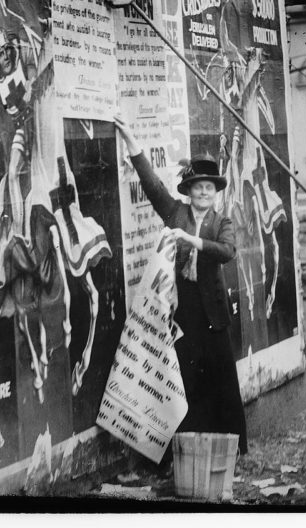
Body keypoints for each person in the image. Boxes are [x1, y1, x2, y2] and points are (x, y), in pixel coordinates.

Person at [114, 114, 247, 455]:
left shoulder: (222, 222)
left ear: (216, 194)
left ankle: (232, 449)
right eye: (198, 187)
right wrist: (131, 140)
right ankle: (188, 451)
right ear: (189, 192)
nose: (204, 193)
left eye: (209, 188)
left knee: (222, 381)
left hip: (213, 315)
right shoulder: (175, 213)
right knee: (186, 381)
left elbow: (228, 252)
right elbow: (151, 183)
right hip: (182, 311)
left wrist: (193, 240)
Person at [0, 27, 37, 237]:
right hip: (20, 125)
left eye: (7, 50)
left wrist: (31, 86)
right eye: (1, 53)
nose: (6, 56)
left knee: (37, 176)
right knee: (13, 173)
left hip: (38, 119)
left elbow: (34, 67)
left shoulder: (22, 51)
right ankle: (19, 233)